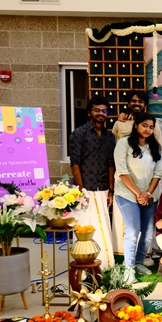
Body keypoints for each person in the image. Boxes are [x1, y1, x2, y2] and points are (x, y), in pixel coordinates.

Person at [111, 90, 162, 257]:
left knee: (147, 233)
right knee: (132, 231)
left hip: (149, 193)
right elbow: (122, 170)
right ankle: (129, 267)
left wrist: (147, 194)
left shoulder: (155, 147)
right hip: (127, 192)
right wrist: (139, 194)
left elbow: (158, 171)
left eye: (151, 127)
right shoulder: (123, 135)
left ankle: (139, 262)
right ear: (136, 126)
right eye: (144, 126)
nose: (148, 129)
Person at [69, 96, 116, 269]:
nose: (101, 114)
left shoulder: (109, 137)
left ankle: (105, 265)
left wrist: (111, 190)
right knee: (84, 226)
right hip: (85, 188)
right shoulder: (79, 133)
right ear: (89, 112)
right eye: (97, 110)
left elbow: (111, 164)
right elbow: (75, 163)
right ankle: (83, 265)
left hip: (103, 187)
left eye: (104, 111)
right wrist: (81, 190)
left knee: (103, 224)